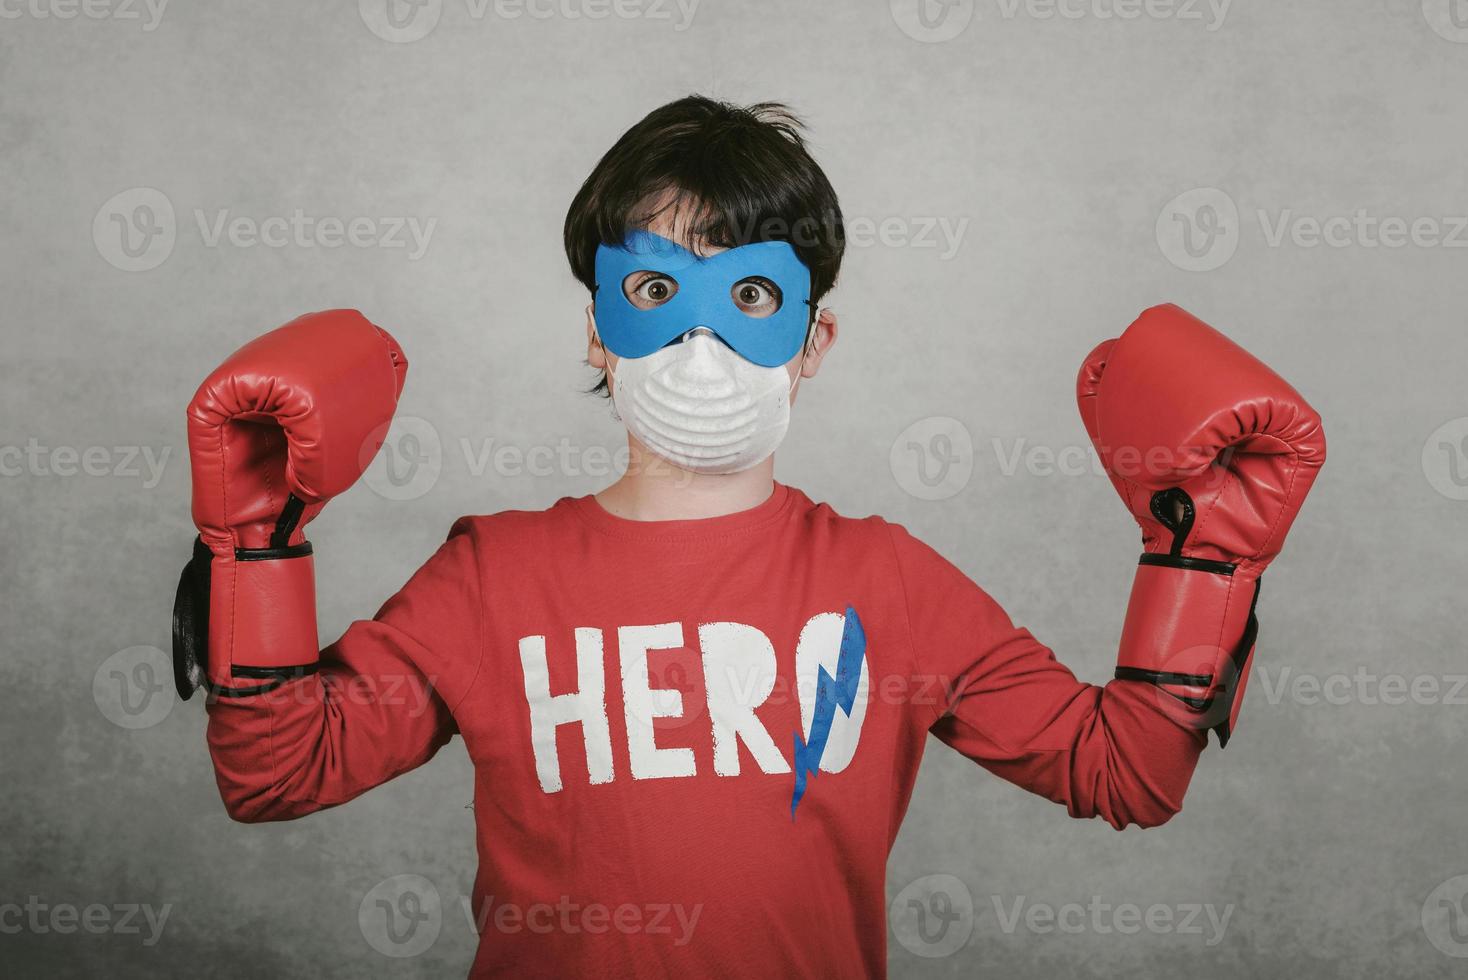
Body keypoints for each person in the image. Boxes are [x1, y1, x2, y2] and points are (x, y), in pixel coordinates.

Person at [173, 96, 1326, 978]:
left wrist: (1202, 557)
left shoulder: (887, 583)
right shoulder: (495, 573)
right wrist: (256, 543)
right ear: (596, 329)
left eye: (753, 298)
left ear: (814, 338)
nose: (700, 343)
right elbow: (277, 772)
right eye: (657, 290)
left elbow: (1122, 770)